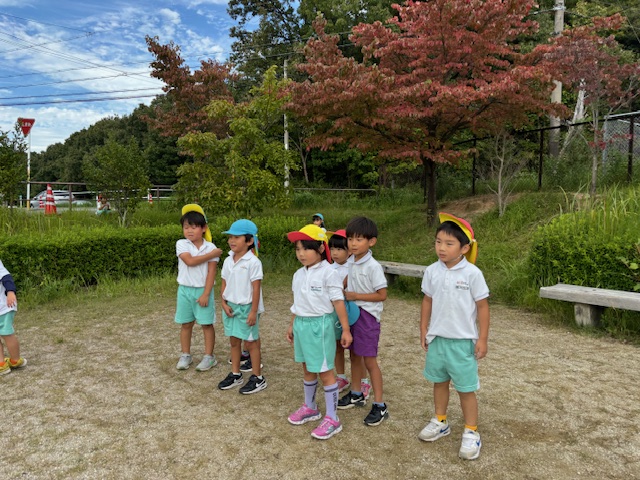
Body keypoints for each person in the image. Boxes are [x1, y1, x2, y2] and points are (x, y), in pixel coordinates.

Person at [418, 212, 490, 461]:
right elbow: (427, 300)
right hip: (438, 339)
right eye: (438, 242)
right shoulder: (431, 271)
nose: (441, 248)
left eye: (449, 243)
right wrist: (424, 329)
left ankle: (471, 431)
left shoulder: (472, 273)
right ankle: (440, 421)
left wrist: (482, 339)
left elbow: (482, 307)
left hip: (462, 342)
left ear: (464, 248)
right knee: (439, 382)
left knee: (465, 388)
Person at [286, 225, 352, 440]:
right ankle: (310, 407)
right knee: (307, 367)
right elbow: (297, 303)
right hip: (301, 324)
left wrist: (346, 329)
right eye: (298, 249)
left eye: (306, 248)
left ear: (321, 249)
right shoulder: (298, 274)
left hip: (320, 326)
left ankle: (333, 418)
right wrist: (292, 324)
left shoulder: (329, 273)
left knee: (325, 371)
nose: (301, 254)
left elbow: (338, 302)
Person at [337, 217, 389, 426]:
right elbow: (347, 279)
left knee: (369, 361)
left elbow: (382, 295)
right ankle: (356, 393)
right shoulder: (352, 260)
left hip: (368, 317)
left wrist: (355, 295)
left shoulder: (373, 267)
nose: (353, 243)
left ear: (371, 241)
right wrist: (340, 287)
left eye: (359, 239)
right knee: (354, 355)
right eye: (350, 239)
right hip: (353, 313)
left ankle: (380, 405)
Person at [217, 219, 267, 394]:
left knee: (251, 343)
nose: (232, 240)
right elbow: (224, 283)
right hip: (230, 307)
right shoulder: (228, 260)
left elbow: (256, 288)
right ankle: (236, 373)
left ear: (249, 240)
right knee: (234, 341)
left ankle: (258, 377)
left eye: (237, 237)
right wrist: (223, 303)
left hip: (247, 308)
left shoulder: (253, 262)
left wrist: (253, 311)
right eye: (230, 237)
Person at [174, 204, 222, 371]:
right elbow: (190, 261)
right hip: (184, 290)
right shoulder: (182, 244)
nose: (189, 231)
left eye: (194, 227)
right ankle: (186, 355)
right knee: (186, 324)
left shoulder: (211, 247)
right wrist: (212, 255)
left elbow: (211, 273)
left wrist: (206, 294)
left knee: (206, 324)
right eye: (186, 227)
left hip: (203, 290)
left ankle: (209, 357)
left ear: (204, 228)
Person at [329, 229, 371, 397]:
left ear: (349, 251)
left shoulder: (353, 267)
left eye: (339, 249)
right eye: (332, 249)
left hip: (353, 314)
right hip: (335, 314)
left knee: (356, 351)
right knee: (337, 347)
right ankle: (341, 377)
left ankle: (363, 381)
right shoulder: (328, 269)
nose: (335, 253)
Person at [0, 259, 27, 376]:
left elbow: (5, 276)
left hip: (4, 306)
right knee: (7, 334)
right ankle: (2, 364)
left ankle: (15, 360)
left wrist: (10, 291)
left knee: (7, 334)